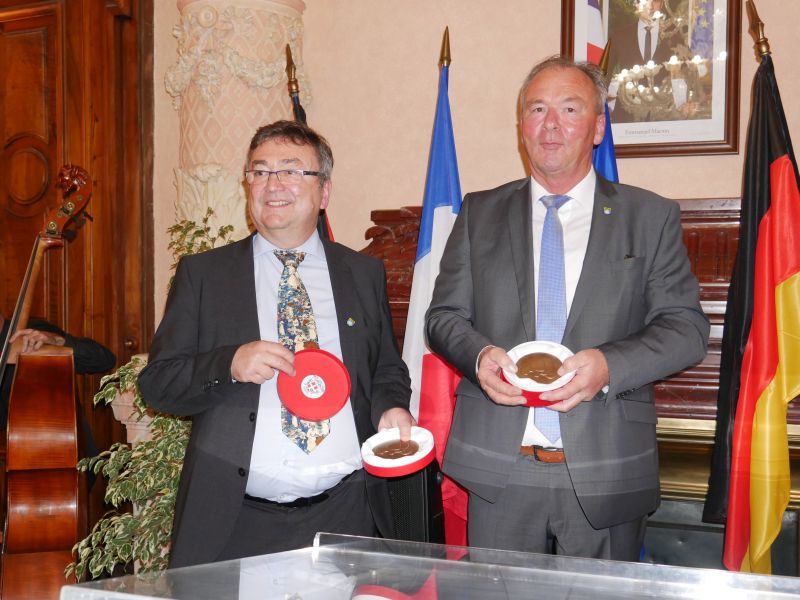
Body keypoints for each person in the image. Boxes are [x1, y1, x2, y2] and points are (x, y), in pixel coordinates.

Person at [425, 56, 709, 561]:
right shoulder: (479, 213)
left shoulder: (649, 216)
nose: (550, 124)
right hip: (501, 468)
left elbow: (686, 328)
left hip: (607, 467)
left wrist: (608, 365)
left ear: (598, 127)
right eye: (537, 109)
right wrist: (479, 356)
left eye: (570, 109)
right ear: (522, 127)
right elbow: (443, 317)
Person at [138, 120, 414, 568]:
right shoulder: (204, 275)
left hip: (348, 513)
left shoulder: (363, 274)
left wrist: (391, 406)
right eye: (260, 171)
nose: (273, 184)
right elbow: (158, 384)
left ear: (324, 192)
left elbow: (385, 368)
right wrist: (228, 363)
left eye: (291, 170)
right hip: (237, 521)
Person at [0, 314, 116, 429]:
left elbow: (105, 360)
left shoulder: (32, 332)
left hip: (59, 433)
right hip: (13, 438)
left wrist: (57, 342)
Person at [606, 0, 688, 122]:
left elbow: (683, 74)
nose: (650, 6)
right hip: (627, 116)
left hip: (664, 116)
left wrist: (682, 104)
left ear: (662, 4)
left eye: (655, 1)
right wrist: (605, 106)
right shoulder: (619, 36)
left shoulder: (675, 35)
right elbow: (605, 74)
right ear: (636, 3)